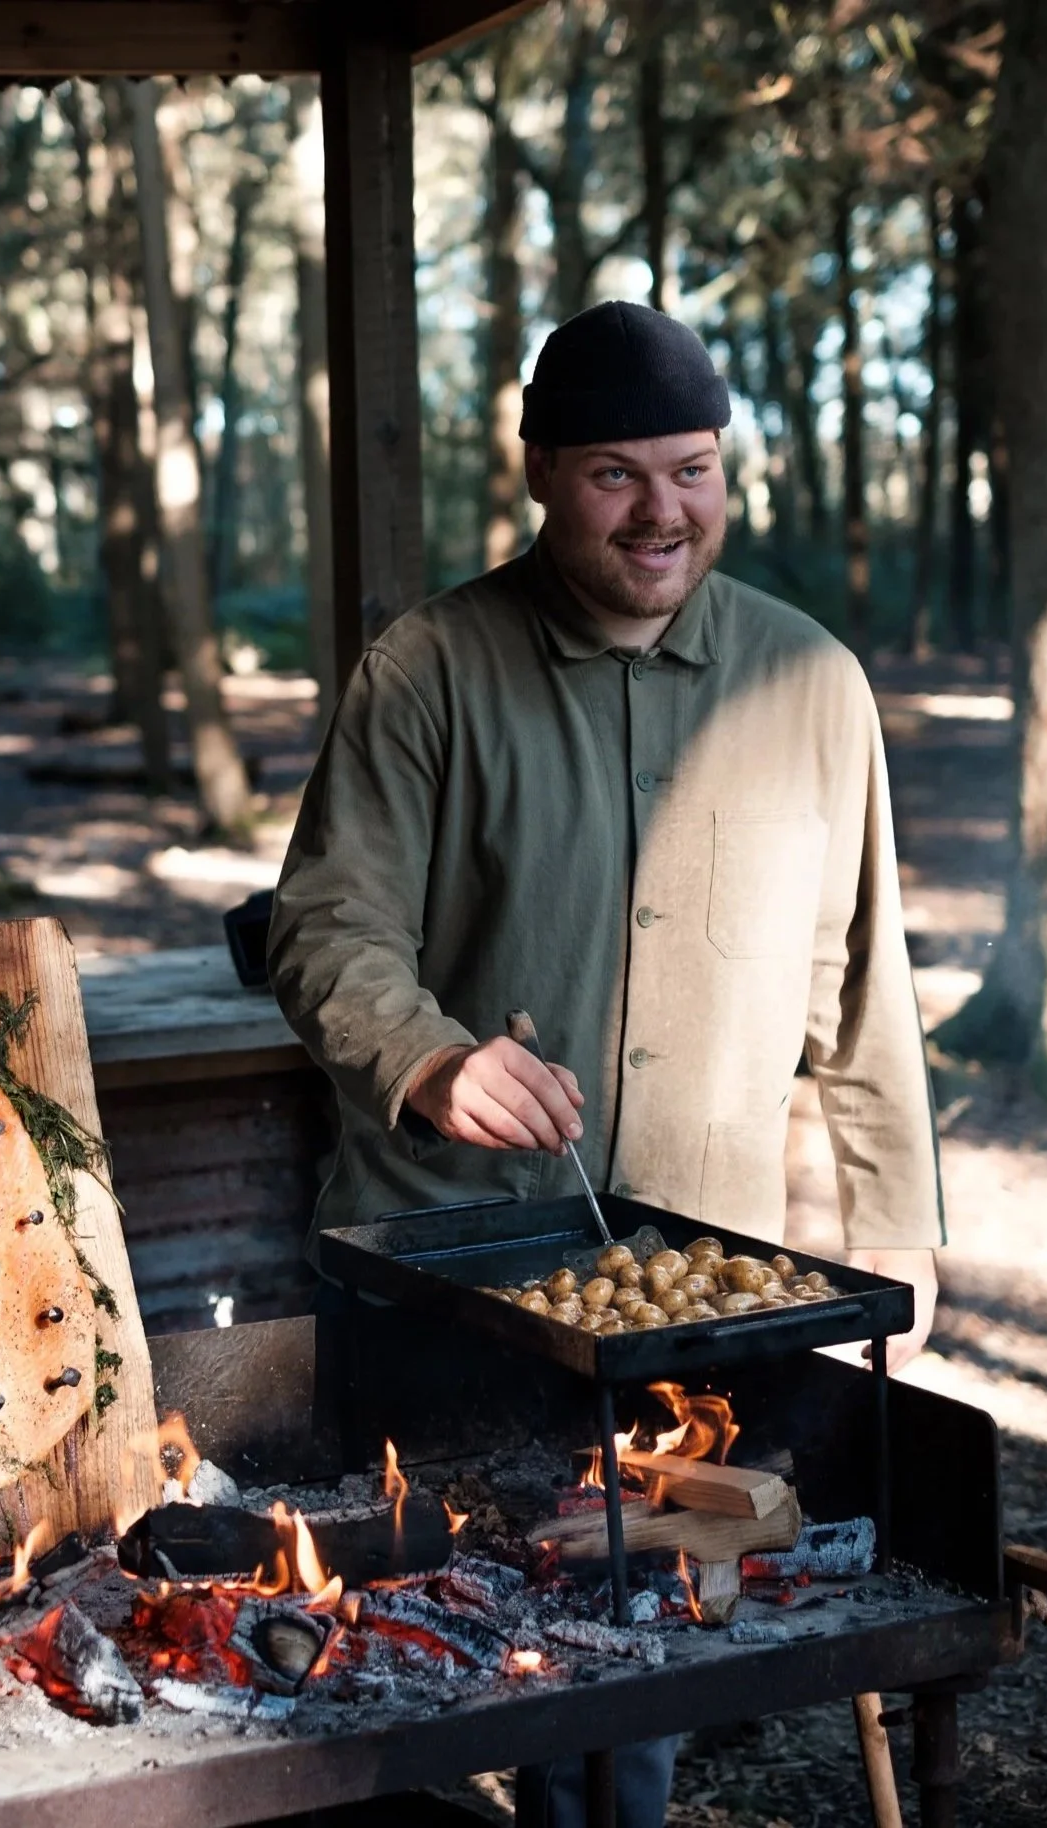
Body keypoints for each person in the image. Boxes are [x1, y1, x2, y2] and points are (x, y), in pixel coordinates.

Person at [267, 300, 943, 1828]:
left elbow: (861, 981)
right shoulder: (426, 669)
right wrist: (428, 1059)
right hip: (442, 1263)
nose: (660, 512)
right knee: (422, 1662)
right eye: (614, 475)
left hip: (685, 1288)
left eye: (691, 470)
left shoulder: (812, 684)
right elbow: (325, 925)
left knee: (628, 1671)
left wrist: (895, 1217)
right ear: (536, 474)